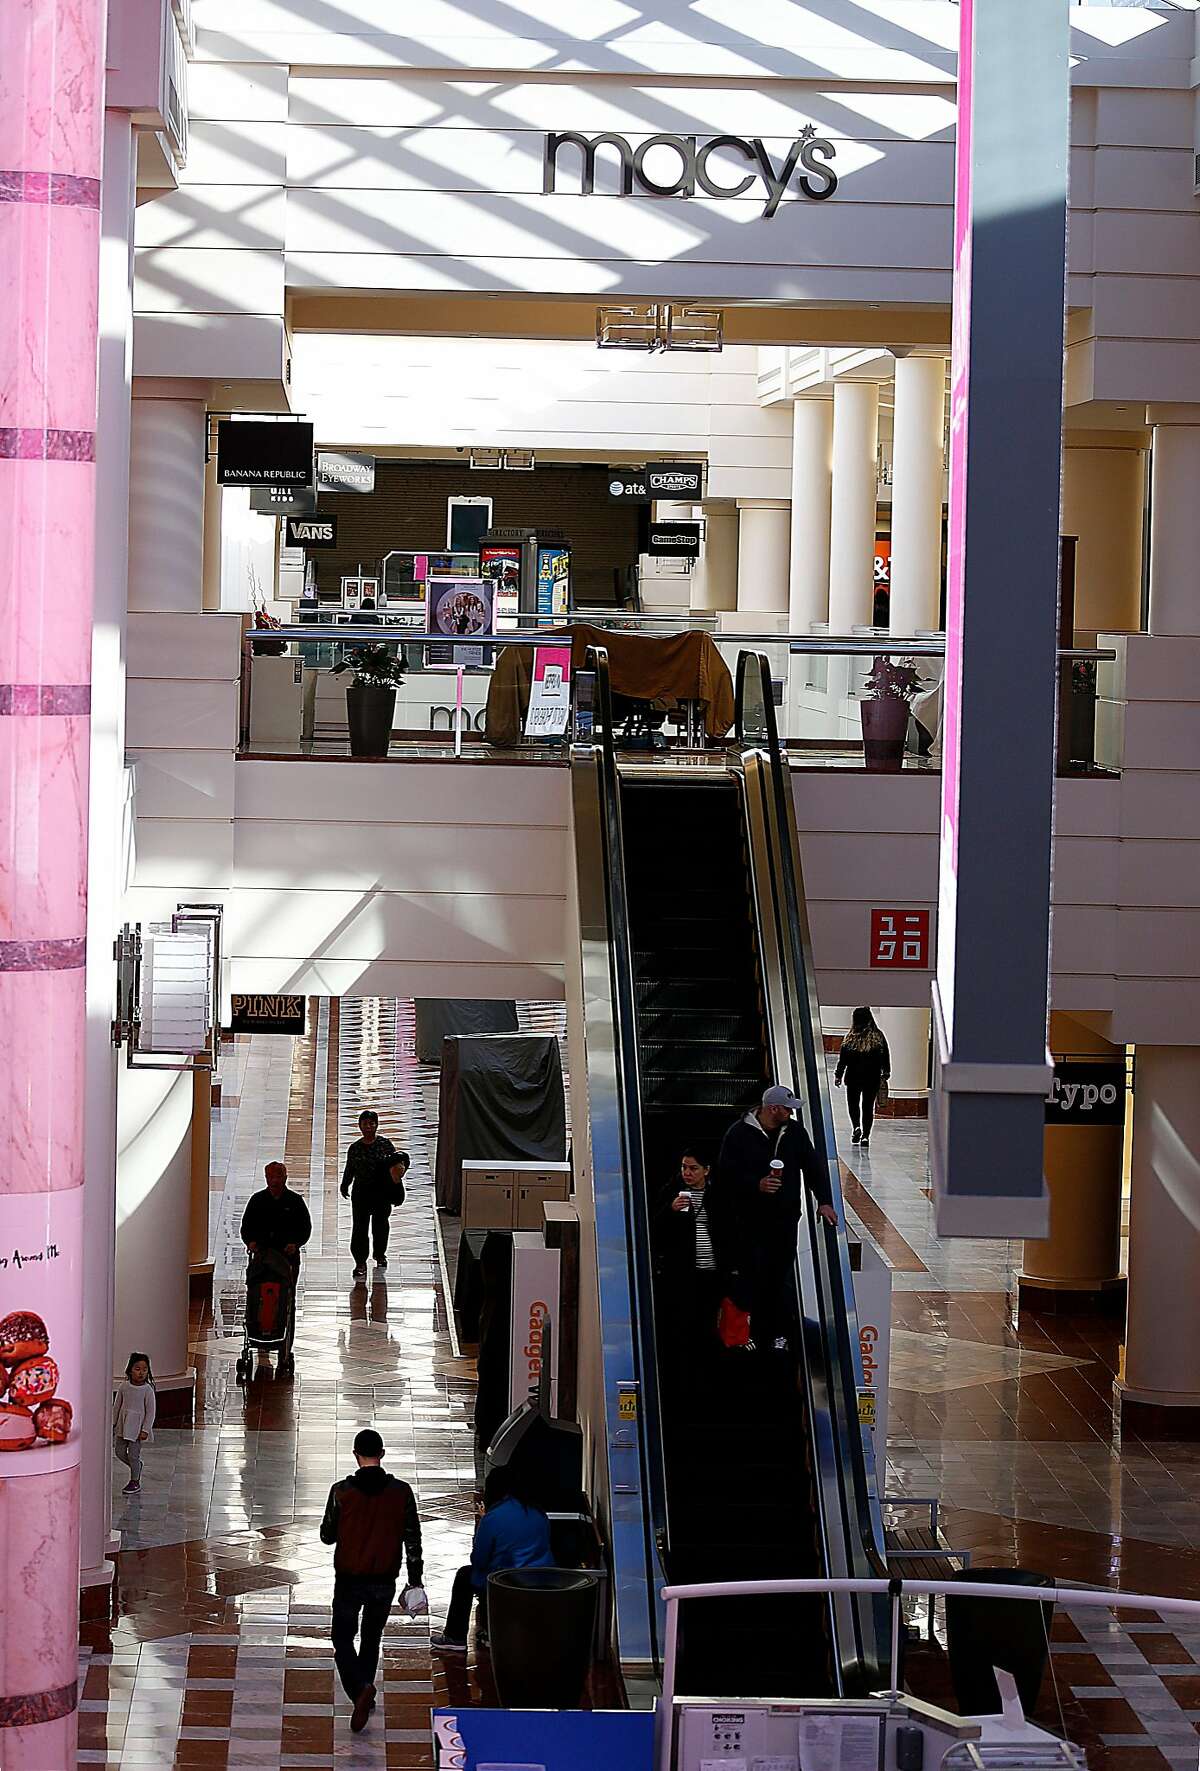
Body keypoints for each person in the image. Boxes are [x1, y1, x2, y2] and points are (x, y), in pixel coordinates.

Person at [716, 1084, 839, 1354]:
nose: (791, 1114)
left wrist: (824, 1201)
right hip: (749, 1224)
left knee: (779, 1279)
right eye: (787, 1109)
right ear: (773, 1109)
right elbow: (725, 1175)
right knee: (753, 1278)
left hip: (784, 1222)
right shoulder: (738, 1135)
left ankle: (778, 1335)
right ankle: (750, 1333)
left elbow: (813, 1165)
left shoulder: (794, 1133)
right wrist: (755, 1185)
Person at [320, 1427, 424, 1734]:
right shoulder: (401, 1492)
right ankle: (364, 1688)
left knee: (341, 1637)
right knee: (371, 1636)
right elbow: (413, 1539)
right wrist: (414, 1579)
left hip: (349, 1578)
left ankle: (360, 1690)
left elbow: (327, 1536)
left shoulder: (341, 1492)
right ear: (381, 1455)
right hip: (384, 1578)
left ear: (355, 1455)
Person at [432, 1466, 554, 1655]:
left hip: (508, 1580)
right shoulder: (538, 1512)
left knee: (465, 1575)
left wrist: (482, 1523)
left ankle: (455, 1637)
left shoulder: (494, 1517)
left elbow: (479, 1560)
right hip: (541, 1577)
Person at [652, 1147, 725, 1360]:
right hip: (682, 1273)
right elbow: (654, 1230)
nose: (687, 1172)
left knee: (709, 1324)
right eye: (684, 1167)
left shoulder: (718, 1195)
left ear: (706, 1170)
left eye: (693, 1168)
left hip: (711, 1271)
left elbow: (729, 1229)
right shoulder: (671, 1191)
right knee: (683, 1325)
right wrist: (671, 1210)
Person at [240, 1161, 313, 1362]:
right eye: (272, 1177)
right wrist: (251, 1242)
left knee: (286, 1298)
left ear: (285, 1178)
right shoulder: (257, 1201)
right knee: (258, 1293)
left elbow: (305, 1228)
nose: (275, 1181)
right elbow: (246, 1227)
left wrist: (295, 1243)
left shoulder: (295, 1201)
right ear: (266, 1179)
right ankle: (258, 1332)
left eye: (279, 1176)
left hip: (286, 1259)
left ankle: (285, 1343)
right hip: (262, 1258)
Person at [341, 1112, 402, 1280]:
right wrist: (345, 1184)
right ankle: (360, 1262)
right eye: (365, 1124)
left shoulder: (385, 1145)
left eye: (371, 1123)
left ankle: (380, 1254)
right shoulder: (355, 1148)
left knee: (381, 1225)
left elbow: (396, 1168)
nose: (368, 1127)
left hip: (381, 1192)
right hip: (361, 1193)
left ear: (376, 1125)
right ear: (360, 1126)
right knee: (360, 1228)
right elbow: (350, 1168)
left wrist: (396, 1191)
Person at [834, 1008, 892, 1147]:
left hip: (853, 1078)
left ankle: (856, 1127)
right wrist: (886, 1071)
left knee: (853, 1105)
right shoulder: (878, 1037)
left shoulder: (850, 1037)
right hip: (872, 1078)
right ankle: (865, 1136)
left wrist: (838, 1075)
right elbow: (885, 1055)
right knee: (868, 1107)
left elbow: (843, 1060)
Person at [113, 1351, 156, 1495]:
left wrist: (145, 1429)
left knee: (133, 1455)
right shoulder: (124, 1387)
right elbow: (117, 1406)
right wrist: (113, 1423)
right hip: (123, 1425)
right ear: (130, 1370)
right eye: (137, 1369)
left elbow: (150, 1412)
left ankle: (134, 1480)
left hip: (137, 1429)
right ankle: (136, 1466)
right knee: (119, 1452)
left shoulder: (147, 1390)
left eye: (145, 1369)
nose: (141, 1373)